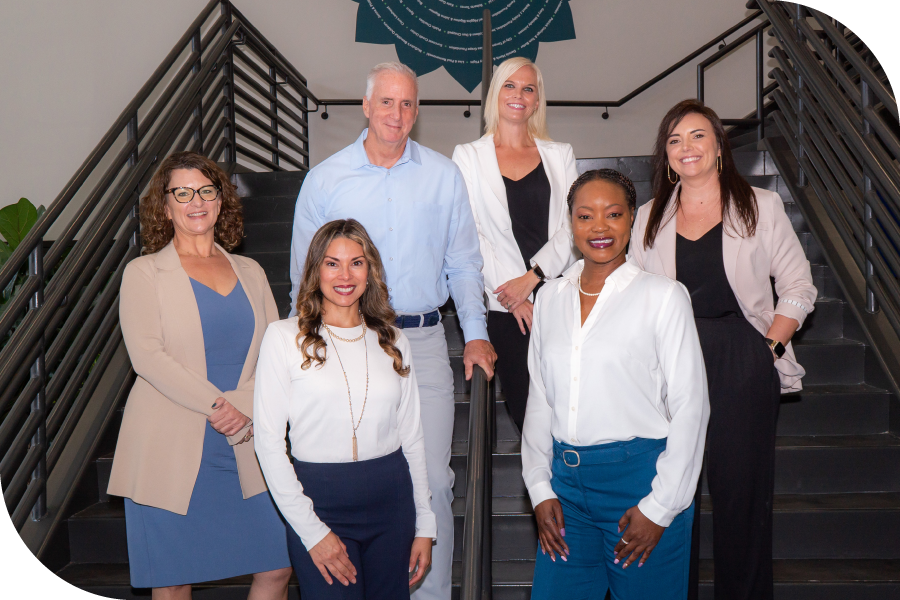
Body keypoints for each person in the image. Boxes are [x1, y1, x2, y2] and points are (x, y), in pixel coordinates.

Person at [289, 61, 497, 599]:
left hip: (422, 344)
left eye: (408, 104)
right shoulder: (326, 178)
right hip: (340, 344)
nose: (397, 114)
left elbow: (465, 263)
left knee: (431, 481)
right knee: (346, 480)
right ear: (366, 105)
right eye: (387, 102)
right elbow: (301, 277)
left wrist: (474, 332)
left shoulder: (443, 175)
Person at [630, 99, 817, 600]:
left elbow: (799, 285)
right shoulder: (648, 216)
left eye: (696, 136)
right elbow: (630, 299)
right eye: (674, 140)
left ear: (718, 147)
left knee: (742, 500)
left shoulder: (760, 205)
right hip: (671, 364)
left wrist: (769, 348)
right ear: (666, 157)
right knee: (674, 495)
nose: (685, 147)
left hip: (741, 358)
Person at [107, 151, 292, 598]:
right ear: (165, 205)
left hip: (245, 440)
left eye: (206, 190)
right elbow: (147, 356)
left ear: (220, 200)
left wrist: (244, 407)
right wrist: (218, 405)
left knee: (279, 566)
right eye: (182, 192)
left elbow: (276, 352)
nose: (196, 201)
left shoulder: (250, 271)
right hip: (168, 444)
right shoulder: (144, 272)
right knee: (173, 582)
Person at [522, 169, 709, 600]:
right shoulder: (549, 297)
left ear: (631, 220)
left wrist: (660, 508)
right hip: (564, 493)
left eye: (613, 214)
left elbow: (690, 407)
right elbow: (540, 401)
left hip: (640, 486)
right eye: (585, 216)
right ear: (571, 225)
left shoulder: (663, 297)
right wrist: (538, 486)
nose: (599, 227)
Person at [255, 219, 435, 599]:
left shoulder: (394, 340)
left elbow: (413, 438)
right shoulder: (284, 338)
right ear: (315, 270)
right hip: (320, 503)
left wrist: (425, 524)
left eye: (357, 262)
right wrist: (312, 531)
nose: (345, 275)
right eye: (332, 263)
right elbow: (268, 445)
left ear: (370, 272)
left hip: (393, 502)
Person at [452, 57, 579, 433]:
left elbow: (575, 226)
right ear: (495, 94)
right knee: (530, 418)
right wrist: (514, 292)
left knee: (571, 414)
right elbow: (468, 235)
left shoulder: (560, 155)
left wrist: (533, 278)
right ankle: (545, 491)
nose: (519, 95)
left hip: (559, 300)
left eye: (528, 88)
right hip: (505, 308)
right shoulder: (468, 157)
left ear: (537, 100)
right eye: (510, 85)